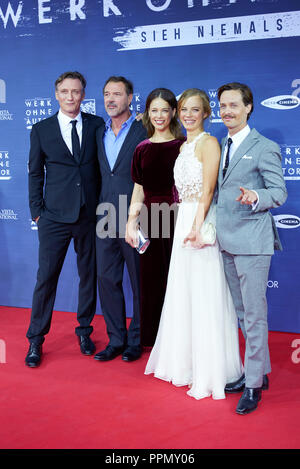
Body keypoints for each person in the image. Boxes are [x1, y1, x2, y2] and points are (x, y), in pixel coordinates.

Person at [145, 88, 243, 400]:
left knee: (204, 294)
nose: (188, 115)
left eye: (195, 110)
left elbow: (210, 188)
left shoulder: (208, 143)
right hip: (183, 220)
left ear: (205, 113)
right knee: (184, 292)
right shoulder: (184, 145)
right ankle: (185, 364)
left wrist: (197, 227)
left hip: (199, 223)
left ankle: (211, 369)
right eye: (184, 109)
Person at [217, 82, 287, 414]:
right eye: (223, 106)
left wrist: (257, 197)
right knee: (243, 313)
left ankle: (253, 384)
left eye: (234, 105)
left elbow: (279, 193)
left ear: (249, 107)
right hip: (226, 239)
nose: (227, 111)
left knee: (255, 315)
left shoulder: (264, 147)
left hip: (253, 241)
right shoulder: (222, 144)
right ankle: (260, 372)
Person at [26, 71, 104, 367]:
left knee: (89, 275)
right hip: (54, 217)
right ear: (56, 94)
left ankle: (84, 330)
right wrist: (37, 211)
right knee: (46, 278)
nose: (71, 97)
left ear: (83, 95)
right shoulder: (41, 129)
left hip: (90, 215)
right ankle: (35, 339)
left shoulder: (97, 125)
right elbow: (35, 173)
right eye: (65, 92)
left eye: (76, 92)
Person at [94, 76, 147, 363]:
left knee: (139, 280)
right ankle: (116, 339)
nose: (111, 99)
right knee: (107, 278)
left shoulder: (146, 127)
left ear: (130, 98)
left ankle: (136, 340)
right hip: (104, 215)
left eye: (117, 94)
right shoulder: (97, 131)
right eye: (106, 94)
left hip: (137, 216)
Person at [125, 88, 184, 347]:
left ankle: (180, 339)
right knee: (151, 280)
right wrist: (130, 222)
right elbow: (138, 188)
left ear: (173, 112)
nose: (159, 115)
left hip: (178, 220)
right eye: (154, 110)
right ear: (148, 113)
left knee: (179, 280)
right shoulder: (142, 149)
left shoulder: (185, 146)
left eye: (164, 110)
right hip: (149, 221)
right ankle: (156, 339)